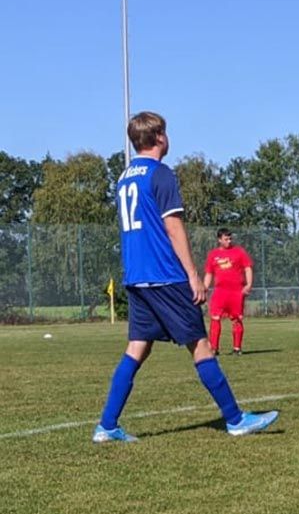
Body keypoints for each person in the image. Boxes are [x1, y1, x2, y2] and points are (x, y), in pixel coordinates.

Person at [94, 111, 278, 442]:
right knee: (201, 345)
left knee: (137, 347)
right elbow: (173, 227)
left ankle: (107, 426)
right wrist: (193, 275)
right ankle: (236, 420)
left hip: (137, 277)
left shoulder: (124, 178)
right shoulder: (161, 174)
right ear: (160, 137)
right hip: (165, 274)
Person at [203, 228, 254, 355]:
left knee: (237, 319)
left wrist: (248, 285)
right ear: (219, 240)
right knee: (215, 318)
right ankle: (214, 348)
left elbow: (248, 268)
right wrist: (204, 287)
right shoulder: (213, 255)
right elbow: (209, 273)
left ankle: (237, 348)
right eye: (226, 239)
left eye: (230, 238)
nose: (229, 241)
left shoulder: (239, 252)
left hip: (236, 292)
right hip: (220, 292)